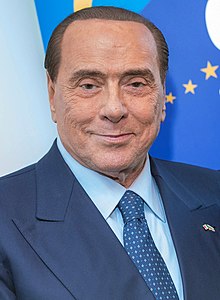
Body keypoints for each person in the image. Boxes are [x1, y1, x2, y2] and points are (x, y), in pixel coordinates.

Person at [0, 6, 220, 300]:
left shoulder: (214, 194)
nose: (114, 109)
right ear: (53, 96)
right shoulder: (6, 217)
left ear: (162, 96)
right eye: (89, 85)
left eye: (136, 84)